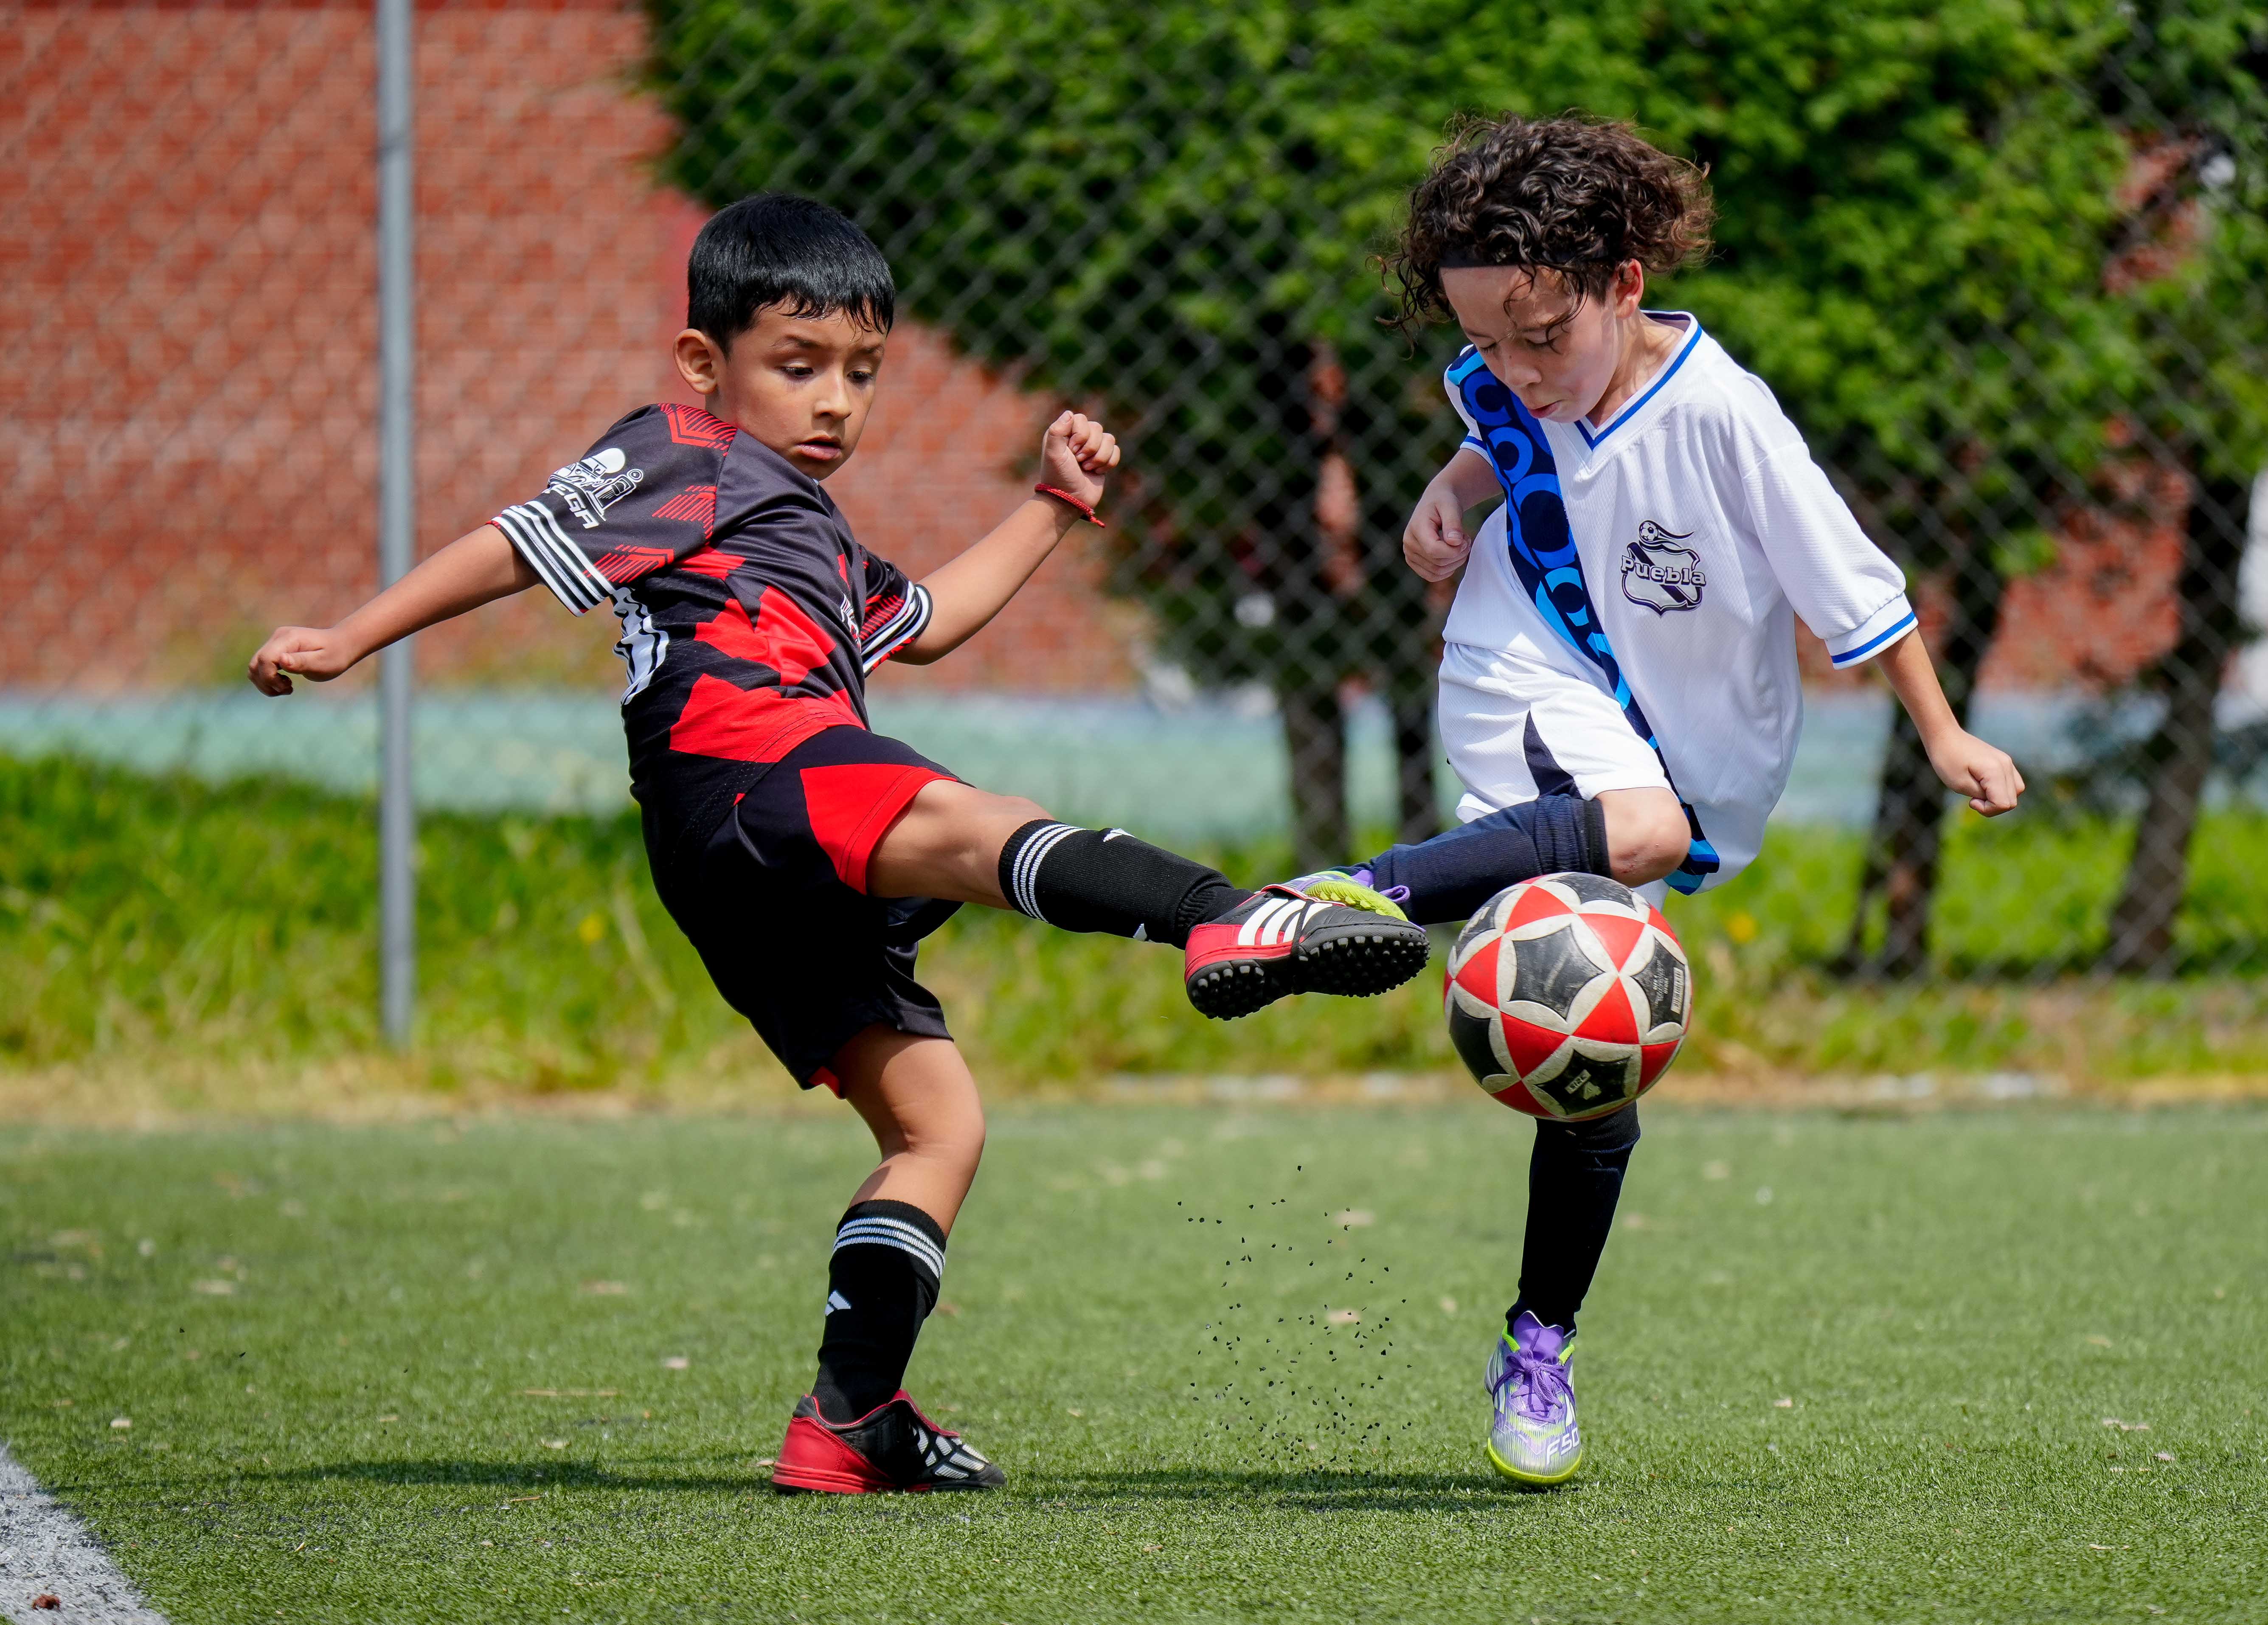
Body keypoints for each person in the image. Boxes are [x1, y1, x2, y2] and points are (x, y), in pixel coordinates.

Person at [247, 194, 1425, 1494]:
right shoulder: (682, 452)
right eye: (797, 367)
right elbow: (518, 544)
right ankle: (1222, 914)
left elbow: (924, 623)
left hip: (739, 871)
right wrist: (352, 633)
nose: (835, 403)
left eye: (862, 373)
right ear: (707, 365)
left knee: (938, 1126)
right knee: (969, 823)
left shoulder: (810, 527)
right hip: (750, 774)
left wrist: (1052, 503)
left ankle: (851, 1420)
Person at [1282, 115, 2025, 1485]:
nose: (1508, 370)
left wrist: (1944, 730)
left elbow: (1853, 587)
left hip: (1686, 737)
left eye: (1536, 338)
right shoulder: (1522, 365)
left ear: (1625, 283)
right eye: (1483, 344)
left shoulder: (1722, 415)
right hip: (1529, 667)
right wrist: (1453, 491)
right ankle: (1351, 898)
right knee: (1646, 831)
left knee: (1596, 1060)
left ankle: (1538, 1341)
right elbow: (1514, 443)